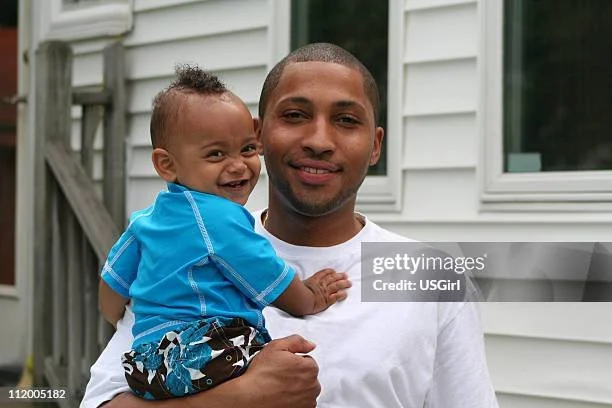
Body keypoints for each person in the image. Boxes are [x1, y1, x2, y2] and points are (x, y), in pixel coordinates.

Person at [82, 42, 499, 408]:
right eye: (296, 115)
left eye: (347, 120)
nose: (319, 140)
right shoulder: (181, 250)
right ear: (259, 135)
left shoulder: (430, 278)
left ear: (375, 145)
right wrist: (240, 398)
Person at [97, 66, 351, 400]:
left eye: (247, 149)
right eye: (216, 154)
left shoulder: (146, 220)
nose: (237, 165)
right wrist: (310, 298)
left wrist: (127, 320)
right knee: (287, 374)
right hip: (198, 350)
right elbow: (265, 273)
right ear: (167, 165)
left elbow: (111, 292)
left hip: (145, 365)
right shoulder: (218, 216)